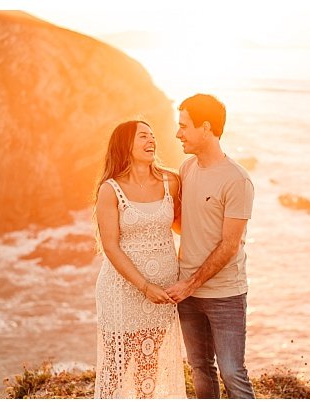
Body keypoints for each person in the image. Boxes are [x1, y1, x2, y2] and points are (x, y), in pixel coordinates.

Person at [164, 94, 256, 398]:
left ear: (206, 128)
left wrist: (190, 283)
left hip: (225, 295)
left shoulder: (237, 180)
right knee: (200, 367)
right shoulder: (187, 169)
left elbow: (230, 245)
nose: (178, 133)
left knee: (232, 372)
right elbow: (186, 224)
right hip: (189, 294)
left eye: (184, 126)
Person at [93, 120, 186, 398]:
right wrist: (145, 286)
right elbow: (110, 246)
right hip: (122, 290)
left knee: (149, 367)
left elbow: (182, 226)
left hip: (162, 292)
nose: (151, 141)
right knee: (116, 367)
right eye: (143, 136)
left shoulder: (172, 181)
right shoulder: (110, 189)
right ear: (126, 145)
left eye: (153, 136)